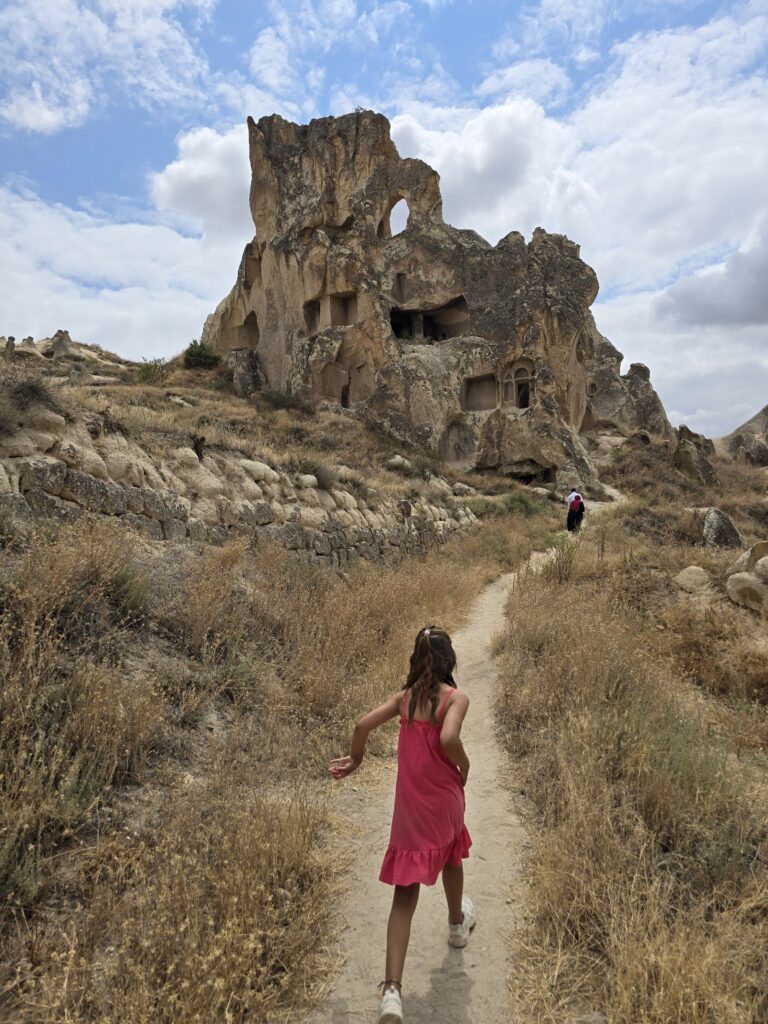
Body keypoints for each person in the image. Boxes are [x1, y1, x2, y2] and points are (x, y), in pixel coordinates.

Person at [329, 626, 474, 1024]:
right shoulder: (455, 699)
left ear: (415, 660)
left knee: (404, 896)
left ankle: (391, 991)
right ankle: (457, 925)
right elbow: (448, 738)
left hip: (410, 811)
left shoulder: (403, 700)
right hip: (444, 801)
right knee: (452, 858)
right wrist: (465, 764)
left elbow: (361, 725)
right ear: (449, 661)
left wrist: (356, 760)